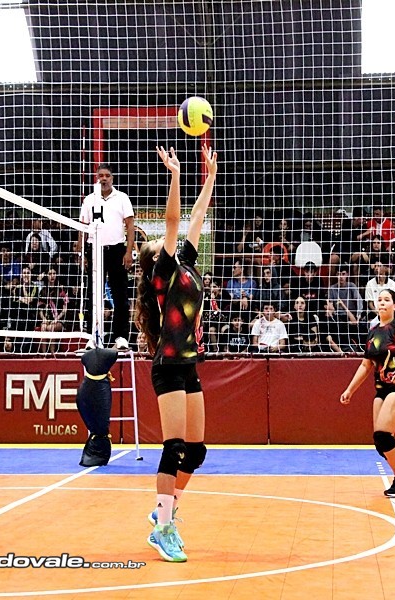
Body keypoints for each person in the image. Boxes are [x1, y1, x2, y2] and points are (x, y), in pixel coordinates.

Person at [135, 144, 217, 562]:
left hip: (188, 365)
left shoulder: (185, 262)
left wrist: (210, 176)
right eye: (157, 244)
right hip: (168, 367)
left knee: (196, 451)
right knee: (175, 446)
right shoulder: (163, 273)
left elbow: (195, 217)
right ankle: (163, 529)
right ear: (154, 259)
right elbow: (173, 220)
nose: (163, 241)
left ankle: (165, 509)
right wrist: (175, 174)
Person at [339, 289, 395, 496]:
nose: (382, 303)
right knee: (380, 442)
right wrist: (350, 389)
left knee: (383, 434)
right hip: (381, 389)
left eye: (387, 300)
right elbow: (366, 365)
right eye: (379, 300)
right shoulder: (373, 331)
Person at [77, 163, 135, 350]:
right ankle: (92, 336)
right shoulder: (89, 200)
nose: (103, 179)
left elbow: (130, 226)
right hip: (95, 250)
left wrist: (128, 252)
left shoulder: (122, 198)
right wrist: (81, 253)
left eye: (107, 175)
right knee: (93, 295)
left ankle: (120, 337)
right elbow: (82, 227)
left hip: (117, 250)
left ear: (112, 178)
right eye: (100, 175)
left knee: (120, 295)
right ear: (96, 178)